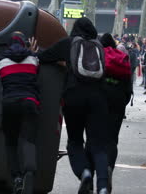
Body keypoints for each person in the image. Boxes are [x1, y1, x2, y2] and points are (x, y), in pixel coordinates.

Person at [39, 18, 109, 194]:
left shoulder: (69, 43)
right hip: (98, 98)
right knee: (98, 145)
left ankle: (84, 173)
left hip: (74, 96)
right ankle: (102, 187)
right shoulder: (98, 46)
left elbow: (43, 57)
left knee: (75, 141)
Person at [0, 32, 40, 194]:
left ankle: (16, 178)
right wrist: (33, 52)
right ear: (24, 44)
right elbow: (37, 73)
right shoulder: (33, 59)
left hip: (9, 104)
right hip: (29, 102)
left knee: (11, 142)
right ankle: (29, 171)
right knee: (28, 139)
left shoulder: (1, 61)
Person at [99, 33, 132, 193]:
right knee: (112, 140)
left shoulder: (98, 56)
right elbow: (128, 86)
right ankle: (109, 167)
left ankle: (97, 174)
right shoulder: (121, 57)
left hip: (100, 100)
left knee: (97, 139)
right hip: (118, 101)